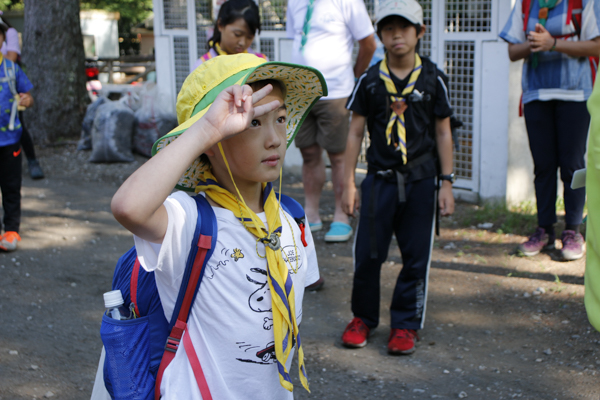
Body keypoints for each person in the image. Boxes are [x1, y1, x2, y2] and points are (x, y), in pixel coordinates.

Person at [110, 54, 324, 398]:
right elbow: (128, 207)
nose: (275, 139)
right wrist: (206, 130)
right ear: (212, 143)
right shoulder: (188, 220)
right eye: (254, 123)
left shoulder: (290, 218)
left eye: (281, 118)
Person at [340, 0, 455, 356]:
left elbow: (443, 133)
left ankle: (405, 324)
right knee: (368, 254)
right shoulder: (371, 81)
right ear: (381, 34)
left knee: (416, 256)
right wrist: (347, 183)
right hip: (379, 180)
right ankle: (363, 318)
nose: (396, 35)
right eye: (389, 29)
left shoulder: (433, 78)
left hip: (422, 181)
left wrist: (447, 182)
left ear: (419, 32)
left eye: (404, 28)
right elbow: (355, 133)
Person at [500, 0, 600, 261]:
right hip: (537, 93)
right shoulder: (526, 4)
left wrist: (553, 44)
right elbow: (512, 51)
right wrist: (534, 45)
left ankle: (572, 231)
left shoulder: (585, 2)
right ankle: (543, 230)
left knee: (572, 165)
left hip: (576, 93)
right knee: (543, 166)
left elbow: (597, 45)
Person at [286, 0, 376, 243]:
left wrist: (355, 76)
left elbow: (368, 43)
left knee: (338, 155)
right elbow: (297, 36)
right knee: (308, 152)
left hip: (336, 91)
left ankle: (341, 215)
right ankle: (311, 213)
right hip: (301, 92)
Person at [0, 22, 34, 251]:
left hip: (10, 140)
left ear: (3, 40)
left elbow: (28, 97)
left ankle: (11, 231)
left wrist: (26, 100)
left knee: (11, 186)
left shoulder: (12, 69)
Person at [0, 14, 44, 180]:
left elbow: (11, 57)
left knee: (19, 125)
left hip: (10, 87)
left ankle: (32, 161)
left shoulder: (10, 32)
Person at [192, 0, 267, 70]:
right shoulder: (202, 68)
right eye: (237, 34)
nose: (242, 43)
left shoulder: (261, 63)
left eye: (249, 37)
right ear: (220, 25)